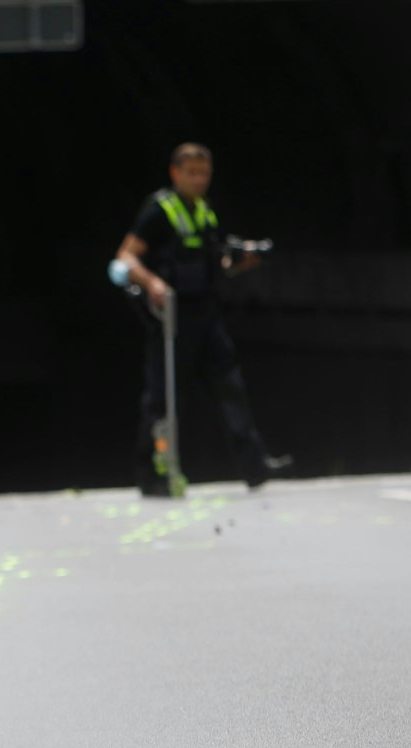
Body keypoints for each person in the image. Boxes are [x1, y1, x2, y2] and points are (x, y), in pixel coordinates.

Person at [113, 143, 290, 496]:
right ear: (175, 173)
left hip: (207, 315)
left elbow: (215, 264)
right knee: (163, 400)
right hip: (172, 319)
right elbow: (125, 257)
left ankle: (254, 466)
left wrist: (243, 261)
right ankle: (153, 473)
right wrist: (152, 283)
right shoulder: (159, 211)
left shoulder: (207, 212)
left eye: (204, 173)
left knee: (231, 386)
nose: (198, 180)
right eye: (191, 172)